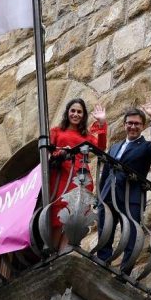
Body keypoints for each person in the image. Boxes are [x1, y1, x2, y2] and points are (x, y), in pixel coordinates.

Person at [96, 99, 151, 272]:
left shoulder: (146, 147)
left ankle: (124, 271)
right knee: (105, 230)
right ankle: (102, 264)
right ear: (125, 125)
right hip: (108, 194)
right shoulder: (115, 147)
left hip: (130, 196)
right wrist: (100, 196)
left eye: (137, 124)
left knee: (131, 233)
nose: (133, 127)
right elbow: (106, 172)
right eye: (130, 123)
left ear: (143, 126)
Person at [49, 98, 107, 250]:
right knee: (59, 212)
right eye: (73, 111)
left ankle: (65, 252)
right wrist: (61, 151)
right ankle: (52, 252)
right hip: (61, 176)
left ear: (84, 115)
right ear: (67, 112)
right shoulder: (56, 131)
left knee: (75, 216)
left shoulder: (86, 136)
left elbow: (100, 148)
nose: (75, 114)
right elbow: (48, 152)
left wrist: (102, 123)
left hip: (81, 177)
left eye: (79, 112)